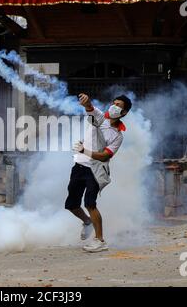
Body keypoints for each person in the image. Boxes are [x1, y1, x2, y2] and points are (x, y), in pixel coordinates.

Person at [65, 93, 132, 252]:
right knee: (71, 205)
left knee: (90, 203)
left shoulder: (118, 136)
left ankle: (100, 240)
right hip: (79, 166)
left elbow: (105, 156)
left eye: (119, 105)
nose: (114, 106)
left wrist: (85, 150)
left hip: (95, 170)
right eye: (114, 102)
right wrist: (87, 102)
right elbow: (90, 108)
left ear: (124, 113)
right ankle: (87, 222)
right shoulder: (100, 117)